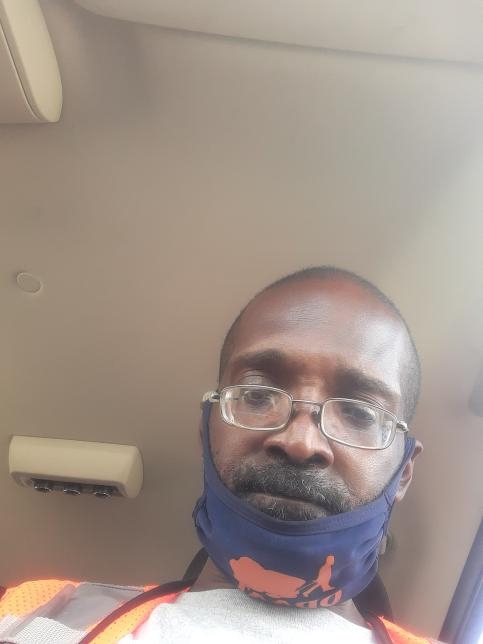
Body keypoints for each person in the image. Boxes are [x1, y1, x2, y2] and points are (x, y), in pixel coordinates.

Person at [0, 267, 442, 643]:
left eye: (360, 413)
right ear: (205, 431)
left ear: (404, 473)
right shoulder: (37, 619)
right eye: (257, 394)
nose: (301, 441)